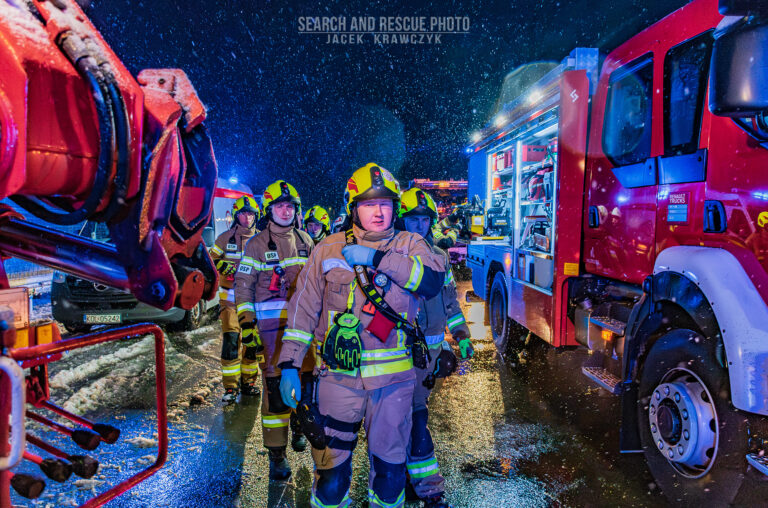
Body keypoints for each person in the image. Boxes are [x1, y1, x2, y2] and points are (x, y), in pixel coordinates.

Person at [277, 163, 445, 508]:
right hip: (337, 380)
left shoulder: (411, 244)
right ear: (354, 207)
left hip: (394, 385)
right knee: (331, 478)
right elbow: (303, 309)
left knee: (389, 476)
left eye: (385, 203)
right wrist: (290, 365)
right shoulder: (327, 248)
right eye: (369, 204)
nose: (379, 212)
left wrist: (376, 258)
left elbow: (430, 283)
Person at [396, 188, 474, 507]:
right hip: (398, 356)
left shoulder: (440, 259)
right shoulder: (393, 258)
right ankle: (430, 490)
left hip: (427, 361)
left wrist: (462, 335)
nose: (419, 226)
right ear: (403, 222)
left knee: (408, 419)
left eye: (424, 220)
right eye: (412, 220)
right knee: (414, 419)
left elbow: (450, 302)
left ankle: (405, 477)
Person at [234, 180, 315, 481]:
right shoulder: (256, 245)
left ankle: (299, 428)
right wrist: (246, 325)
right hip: (271, 335)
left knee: (306, 384)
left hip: (304, 331)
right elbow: (242, 289)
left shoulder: (307, 240)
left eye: (290, 206)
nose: (285, 210)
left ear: (296, 210)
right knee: (274, 394)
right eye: (280, 205)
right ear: (269, 211)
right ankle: (276, 455)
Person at [209, 196, 261, 403]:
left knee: (251, 343)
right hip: (229, 300)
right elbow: (210, 259)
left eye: (250, 214)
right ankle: (230, 388)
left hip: (253, 302)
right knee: (231, 341)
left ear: (255, 215)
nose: (246, 218)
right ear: (236, 216)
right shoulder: (224, 238)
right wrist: (221, 265)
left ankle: (249, 382)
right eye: (242, 213)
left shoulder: (262, 240)